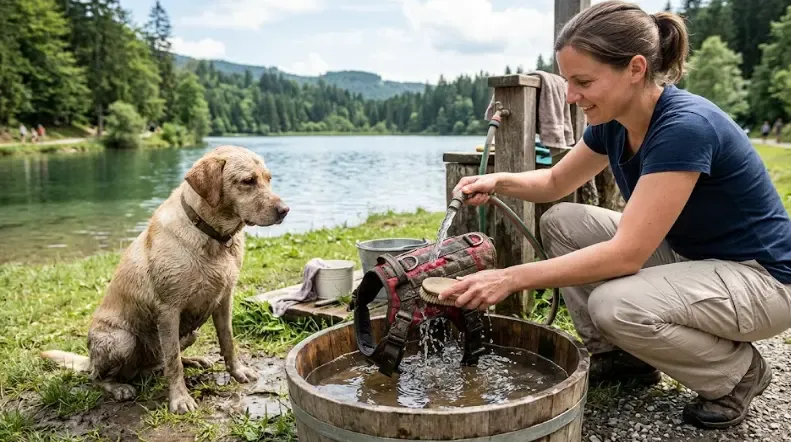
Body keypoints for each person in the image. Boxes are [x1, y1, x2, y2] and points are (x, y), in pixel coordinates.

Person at [440, 0, 791, 430]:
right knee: (562, 221)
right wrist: (497, 181)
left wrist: (509, 277)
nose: (570, 96)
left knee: (615, 305)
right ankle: (622, 357)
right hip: (697, 259)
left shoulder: (685, 126)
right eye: (567, 81)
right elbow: (554, 185)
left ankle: (737, 375)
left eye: (583, 81)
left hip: (763, 279)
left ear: (636, 68)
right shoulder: (614, 120)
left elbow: (625, 256)